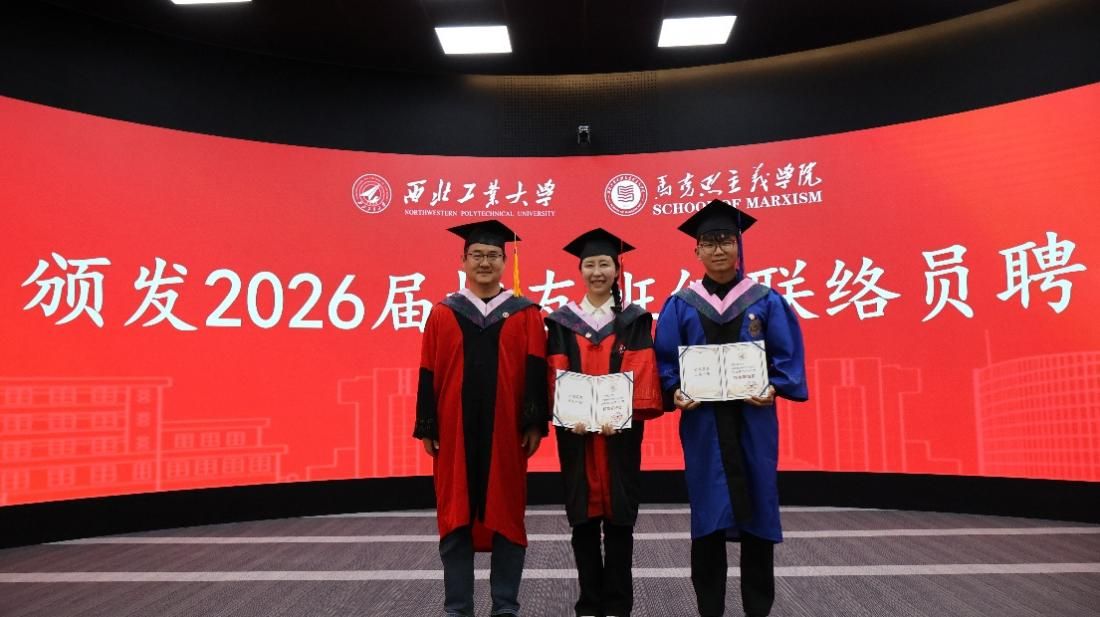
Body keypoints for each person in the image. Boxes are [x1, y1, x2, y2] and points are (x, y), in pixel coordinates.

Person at [653, 200, 808, 617]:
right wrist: (674, 391)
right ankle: (710, 609)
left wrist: (774, 387)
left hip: (753, 422)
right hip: (703, 424)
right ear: (697, 251)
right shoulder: (682, 304)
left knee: (758, 511)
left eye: (725, 240)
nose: (718, 249)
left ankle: (758, 608)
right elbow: (665, 361)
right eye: (709, 242)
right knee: (707, 517)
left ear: (738, 246)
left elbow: (786, 357)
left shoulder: (765, 300)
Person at [414, 219, 549, 617]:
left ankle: (505, 606)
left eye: (492, 255)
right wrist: (427, 425)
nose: (485, 262)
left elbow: (535, 369)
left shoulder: (525, 314)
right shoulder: (443, 313)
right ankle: (458, 608)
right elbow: (428, 371)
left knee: (507, 511)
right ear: (463, 260)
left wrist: (533, 422)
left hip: (506, 433)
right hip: (453, 432)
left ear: (504, 262)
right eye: (477, 255)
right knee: (455, 513)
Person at [544, 228, 664, 617]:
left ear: (617, 269)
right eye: (590, 265)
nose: (597, 272)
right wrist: (569, 415)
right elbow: (556, 370)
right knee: (582, 521)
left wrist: (621, 415)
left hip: (620, 435)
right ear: (580, 270)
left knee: (619, 521)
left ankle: (618, 604)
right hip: (576, 435)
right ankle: (589, 603)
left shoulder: (635, 320)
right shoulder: (562, 322)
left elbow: (642, 370)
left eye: (604, 264)